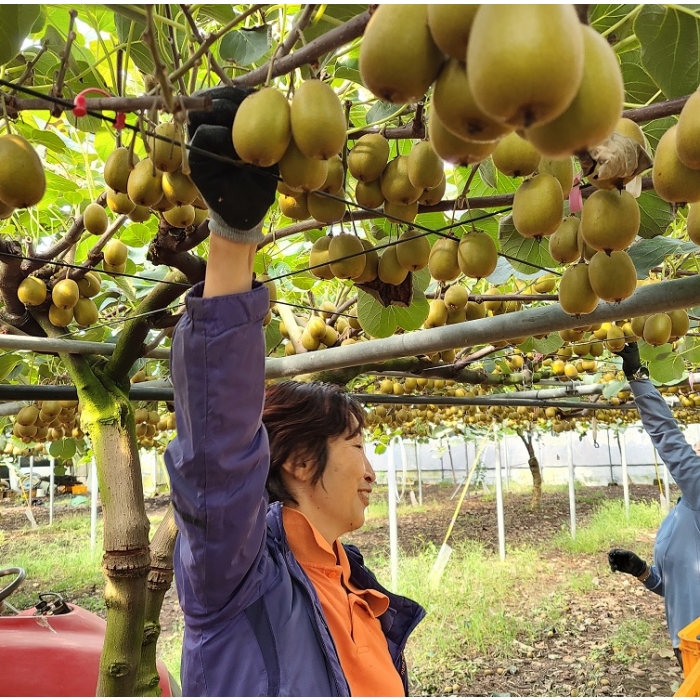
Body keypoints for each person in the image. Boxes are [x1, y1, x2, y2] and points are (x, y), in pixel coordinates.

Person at [164, 86, 425, 697]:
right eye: (356, 446)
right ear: (301, 462)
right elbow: (218, 455)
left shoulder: (351, 581)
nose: (371, 470)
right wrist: (233, 237)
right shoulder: (237, 579)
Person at [608, 342, 700, 667]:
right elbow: (681, 585)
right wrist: (643, 571)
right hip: (687, 645)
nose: (694, 447)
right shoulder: (687, 507)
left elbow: (667, 436)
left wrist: (637, 377)